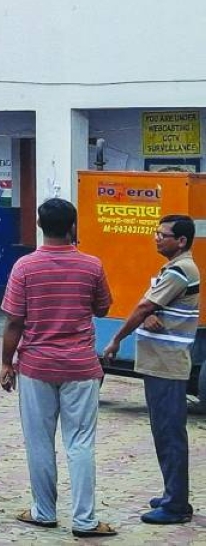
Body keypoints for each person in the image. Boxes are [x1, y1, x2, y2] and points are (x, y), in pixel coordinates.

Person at [0, 198, 114, 537]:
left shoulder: (24, 267)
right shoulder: (92, 266)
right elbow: (104, 309)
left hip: (36, 366)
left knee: (39, 442)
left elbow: (13, 322)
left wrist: (7, 363)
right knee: (80, 443)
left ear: (39, 225)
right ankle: (85, 520)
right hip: (81, 366)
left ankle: (44, 511)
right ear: (73, 226)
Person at [103, 214, 200, 526]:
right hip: (160, 361)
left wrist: (117, 338)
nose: (157, 238)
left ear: (181, 241)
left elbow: (146, 305)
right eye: (156, 233)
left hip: (167, 364)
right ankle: (173, 493)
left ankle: (176, 505)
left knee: (170, 434)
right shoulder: (173, 269)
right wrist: (148, 315)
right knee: (163, 432)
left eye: (163, 234)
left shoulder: (180, 270)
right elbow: (154, 308)